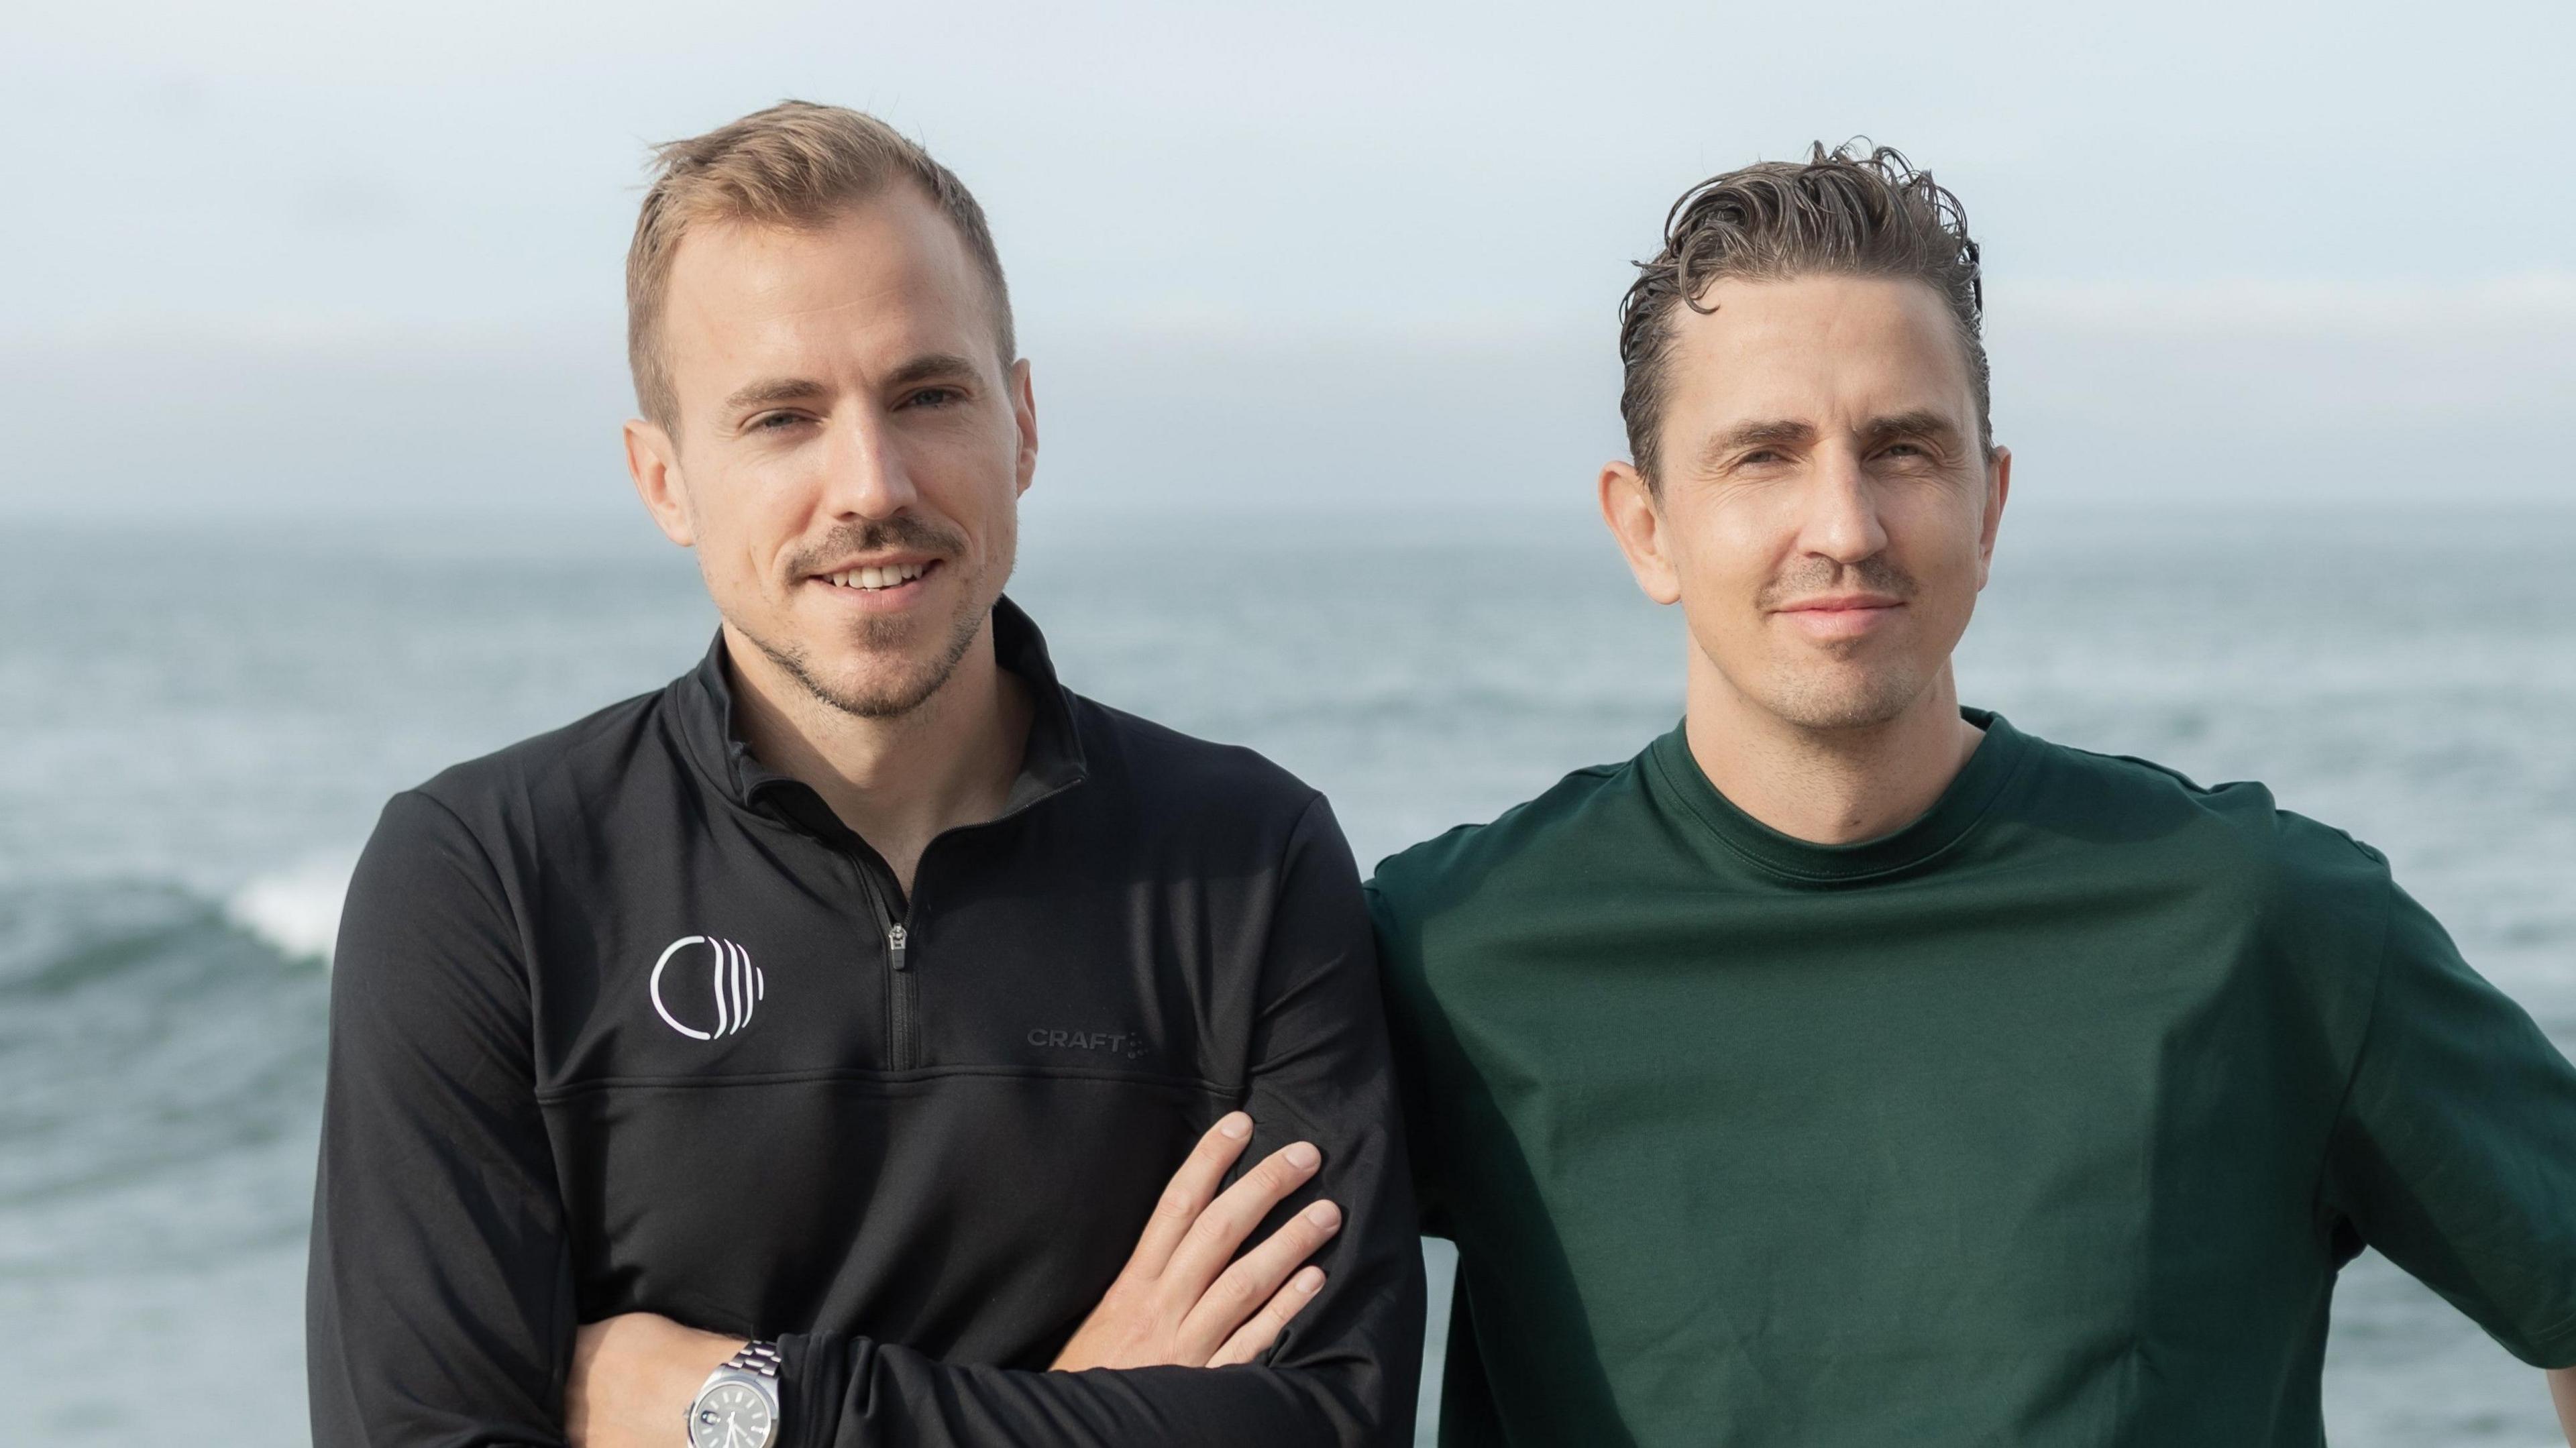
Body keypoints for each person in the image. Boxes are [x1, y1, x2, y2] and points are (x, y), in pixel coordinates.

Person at [1368, 144, 2576, 1445]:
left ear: (1989, 507)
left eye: (1902, 449)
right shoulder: (1446, 952)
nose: (1844, 523)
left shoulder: (2262, 921)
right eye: (1764, 456)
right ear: (1646, 528)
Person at [307, 101, 1421, 1448]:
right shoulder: (484, 880)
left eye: (927, 395)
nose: (871, 484)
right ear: (665, 480)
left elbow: (1330, 1427)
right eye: (783, 418)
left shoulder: (1247, 861)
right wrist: (1081, 1409)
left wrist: (756, 1409)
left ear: (1020, 421)